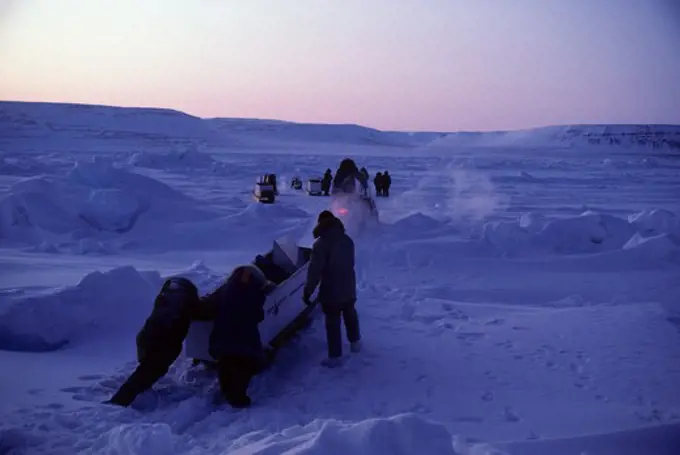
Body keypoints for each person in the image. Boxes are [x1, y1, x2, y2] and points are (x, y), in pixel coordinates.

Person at [106, 277, 212, 407]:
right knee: (147, 372)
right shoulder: (184, 303)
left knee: (147, 371)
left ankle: (134, 393)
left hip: (146, 337)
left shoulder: (166, 298)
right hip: (163, 344)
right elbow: (202, 313)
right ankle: (119, 402)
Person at [204, 264, 276, 408]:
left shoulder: (226, 290)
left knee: (225, 362)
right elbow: (258, 315)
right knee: (244, 365)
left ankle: (226, 390)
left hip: (221, 337)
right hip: (243, 339)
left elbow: (210, 304)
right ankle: (237, 398)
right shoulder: (254, 291)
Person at [302, 211, 361, 368]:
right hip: (349, 286)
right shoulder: (347, 240)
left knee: (333, 322)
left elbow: (315, 271)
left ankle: (335, 357)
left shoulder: (321, 244)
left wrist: (308, 290)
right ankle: (355, 343)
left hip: (331, 289)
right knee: (350, 314)